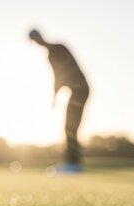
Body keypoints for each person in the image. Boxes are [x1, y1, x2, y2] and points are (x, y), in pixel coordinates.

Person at [29, 29, 89, 172]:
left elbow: (60, 75)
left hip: (80, 90)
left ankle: (74, 164)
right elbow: (60, 77)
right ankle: (73, 162)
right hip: (77, 91)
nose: (37, 42)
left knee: (70, 127)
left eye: (36, 38)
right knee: (70, 126)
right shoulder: (53, 52)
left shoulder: (58, 49)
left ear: (41, 36)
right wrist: (56, 95)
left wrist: (55, 96)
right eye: (34, 41)